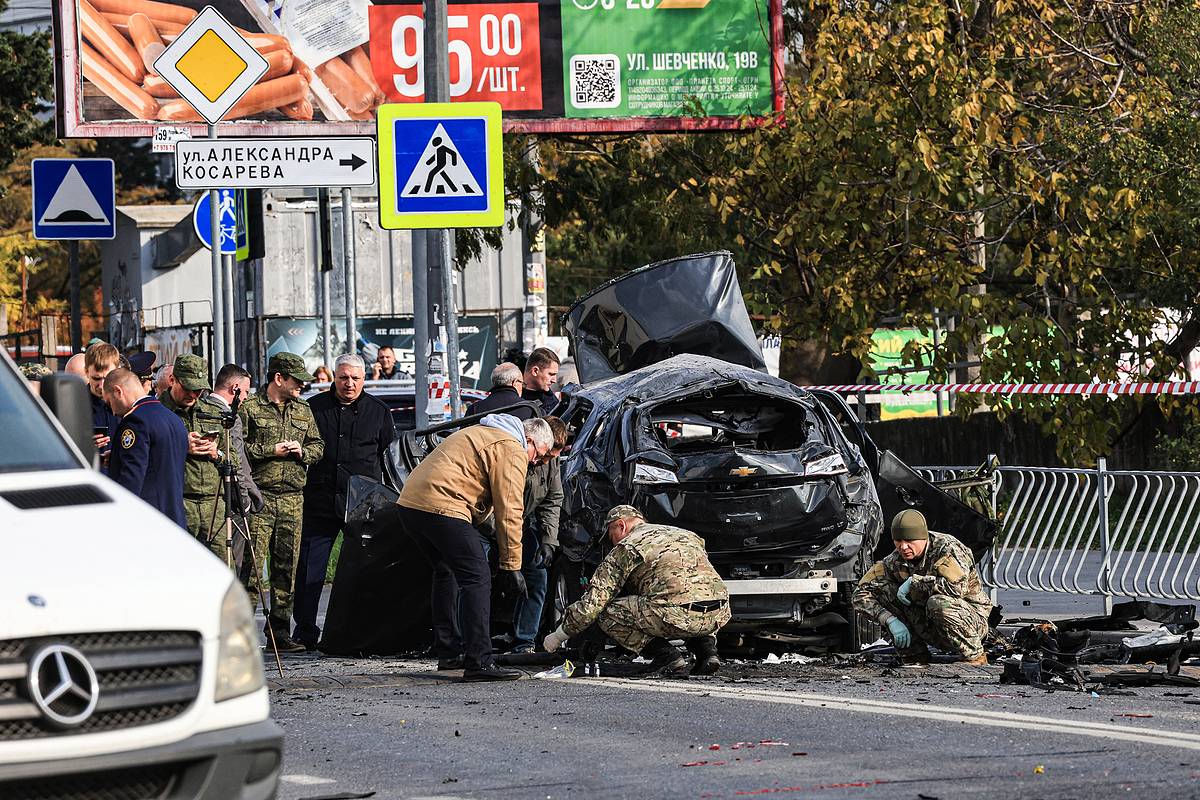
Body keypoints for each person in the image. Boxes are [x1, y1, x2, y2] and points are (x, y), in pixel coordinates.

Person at [397, 415, 554, 681]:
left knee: (445, 571)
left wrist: (494, 537)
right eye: (538, 455)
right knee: (477, 577)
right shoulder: (512, 447)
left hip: (411, 504)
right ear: (529, 439)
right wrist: (511, 566)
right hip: (442, 505)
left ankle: (448, 652)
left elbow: (477, 497)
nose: (537, 463)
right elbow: (510, 509)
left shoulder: (483, 432)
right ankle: (479, 661)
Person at [542, 506, 731, 677]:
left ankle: (667, 656)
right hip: (718, 612)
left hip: (677, 615)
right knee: (691, 596)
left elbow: (592, 606)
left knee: (607, 612)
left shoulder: (627, 547)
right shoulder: (685, 534)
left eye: (610, 535)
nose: (611, 541)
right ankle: (707, 654)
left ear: (621, 526)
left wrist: (558, 636)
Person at [294, 354, 395, 650]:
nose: (348, 383)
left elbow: (388, 460)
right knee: (311, 570)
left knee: (364, 571)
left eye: (355, 378)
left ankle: (363, 631)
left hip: (363, 507)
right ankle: (305, 631)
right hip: (320, 501)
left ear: (364, 379)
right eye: (343, 378)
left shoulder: (379, 412)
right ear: (334, 378)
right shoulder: (314, 408)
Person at [240, 352, 324, 652]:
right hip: (261, 499)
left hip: (292, 499)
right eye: (297, 381)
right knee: (251, 569)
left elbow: (318, 445)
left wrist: (302, 452)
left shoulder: (302, 409)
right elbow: (240, 448)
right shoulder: (249, 407)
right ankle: (242, 634)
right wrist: (270, 450)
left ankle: (279, 633)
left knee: (286, 570)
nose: (302, 386)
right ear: (279, 378)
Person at [852, 509, 992, 666]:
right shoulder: (894, 560)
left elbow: (957, 588)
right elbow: (860, 594)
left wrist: (915, 583)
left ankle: (975, 657)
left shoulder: (948, 549)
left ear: (923, 537)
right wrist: (890, 620)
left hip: (971, 622)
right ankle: (914, 656)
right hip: (929, 623)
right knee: (887, 592)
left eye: (909, 540)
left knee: (938, 603)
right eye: (898, 541)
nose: (903, 547)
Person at [161, 355, 237, 563]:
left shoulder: (213, 413)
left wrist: (216, 453)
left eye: (198, 390)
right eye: (188, 388)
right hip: (178, 502)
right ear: (172, 380)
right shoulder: (157, 412)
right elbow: (147, 457)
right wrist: (181, 446)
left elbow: (235, 460)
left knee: (221, 570)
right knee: (179, 567)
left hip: (214, 504)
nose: (193, 395)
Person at [506, 416, 566, 654]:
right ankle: (466, 643)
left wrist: (549, 540)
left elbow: (552, 499)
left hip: (519, 524)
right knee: (475, 580)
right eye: (547, 455)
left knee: (537, 578)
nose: (547, 461)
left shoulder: (550, 462)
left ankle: (525, 641)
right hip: (488, 523)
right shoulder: (513, 453)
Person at [102, 368, 188, 529]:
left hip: (148, 521)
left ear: (118, 391)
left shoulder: (135, 422)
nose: (112, 411)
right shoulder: (173, 418)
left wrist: (117, 519)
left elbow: (132, 478)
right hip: (175, 517)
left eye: (109, 402)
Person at [210, 363, 263, 519]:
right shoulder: (231, 417)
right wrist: (244, 500)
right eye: (245, 391)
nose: (246, 397)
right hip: (230, 499)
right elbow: (236, 462)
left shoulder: (200, 410)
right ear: (235, 388)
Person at [84, 342, 121, 456]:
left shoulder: (127, 403)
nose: (102, 385)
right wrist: (82, 443)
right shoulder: (74, 405)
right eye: (96, 378)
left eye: (107, 378)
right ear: (86, 372)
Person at [469, 363, 535, 419]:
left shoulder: (474, 409)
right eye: (521, 383)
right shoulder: (531, 409)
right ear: (514, 382)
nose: (522, 387)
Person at [521, 347, 561, 415]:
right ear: (535, 371)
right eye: (551, 374)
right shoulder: (512, 396)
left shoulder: (550, 399)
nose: (554, 380)